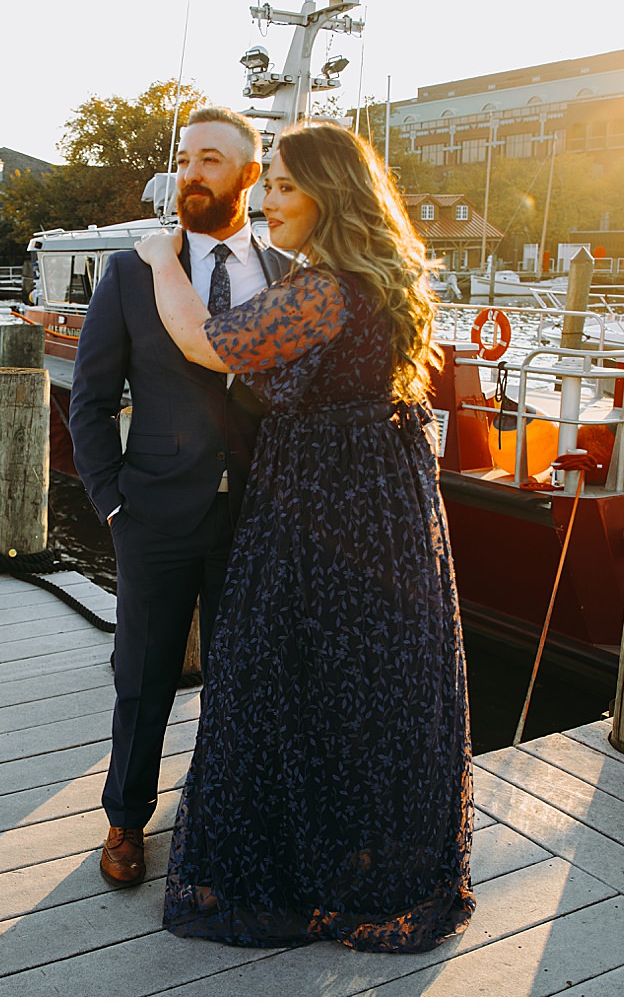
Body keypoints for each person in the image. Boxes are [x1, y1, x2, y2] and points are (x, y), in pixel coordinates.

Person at [132, 119, 474, 952]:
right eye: (269, 182)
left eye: (285, 184)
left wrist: (159, 260)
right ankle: (352, 858)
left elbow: (205, 342)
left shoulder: (323, 289)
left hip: (324, 503)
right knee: (366, 681)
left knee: (283, 674)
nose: (269, 200)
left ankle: (301, 871)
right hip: (385, 502)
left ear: (332, 193)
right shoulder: (378, 278)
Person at [69, 107, 291, 888]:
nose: (192, 173)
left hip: (255, 519)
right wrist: (113, 505)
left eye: (211, 160)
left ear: (248, 177)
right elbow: (89, 401)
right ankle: (126, 821)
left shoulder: (288, 275)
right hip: (153, 514)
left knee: (243, 677)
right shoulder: (133, 272)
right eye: (187, 158)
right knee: (144, 676)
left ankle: (224, 810)